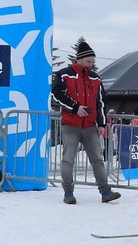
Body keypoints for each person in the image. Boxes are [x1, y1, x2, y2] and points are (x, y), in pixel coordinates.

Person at [51, 41, 121, 205]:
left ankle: (105, 191)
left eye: (92, 62)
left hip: (90, 126)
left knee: (97, 159)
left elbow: (101, 102)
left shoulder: (95, 78)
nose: (91, 64)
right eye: (89, 61)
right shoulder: (64, 74)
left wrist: (102, 124)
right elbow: (57, 94)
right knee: (68, 160)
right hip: (70, 125)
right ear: (79, 59)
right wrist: (75, 107)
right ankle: (68, 192)